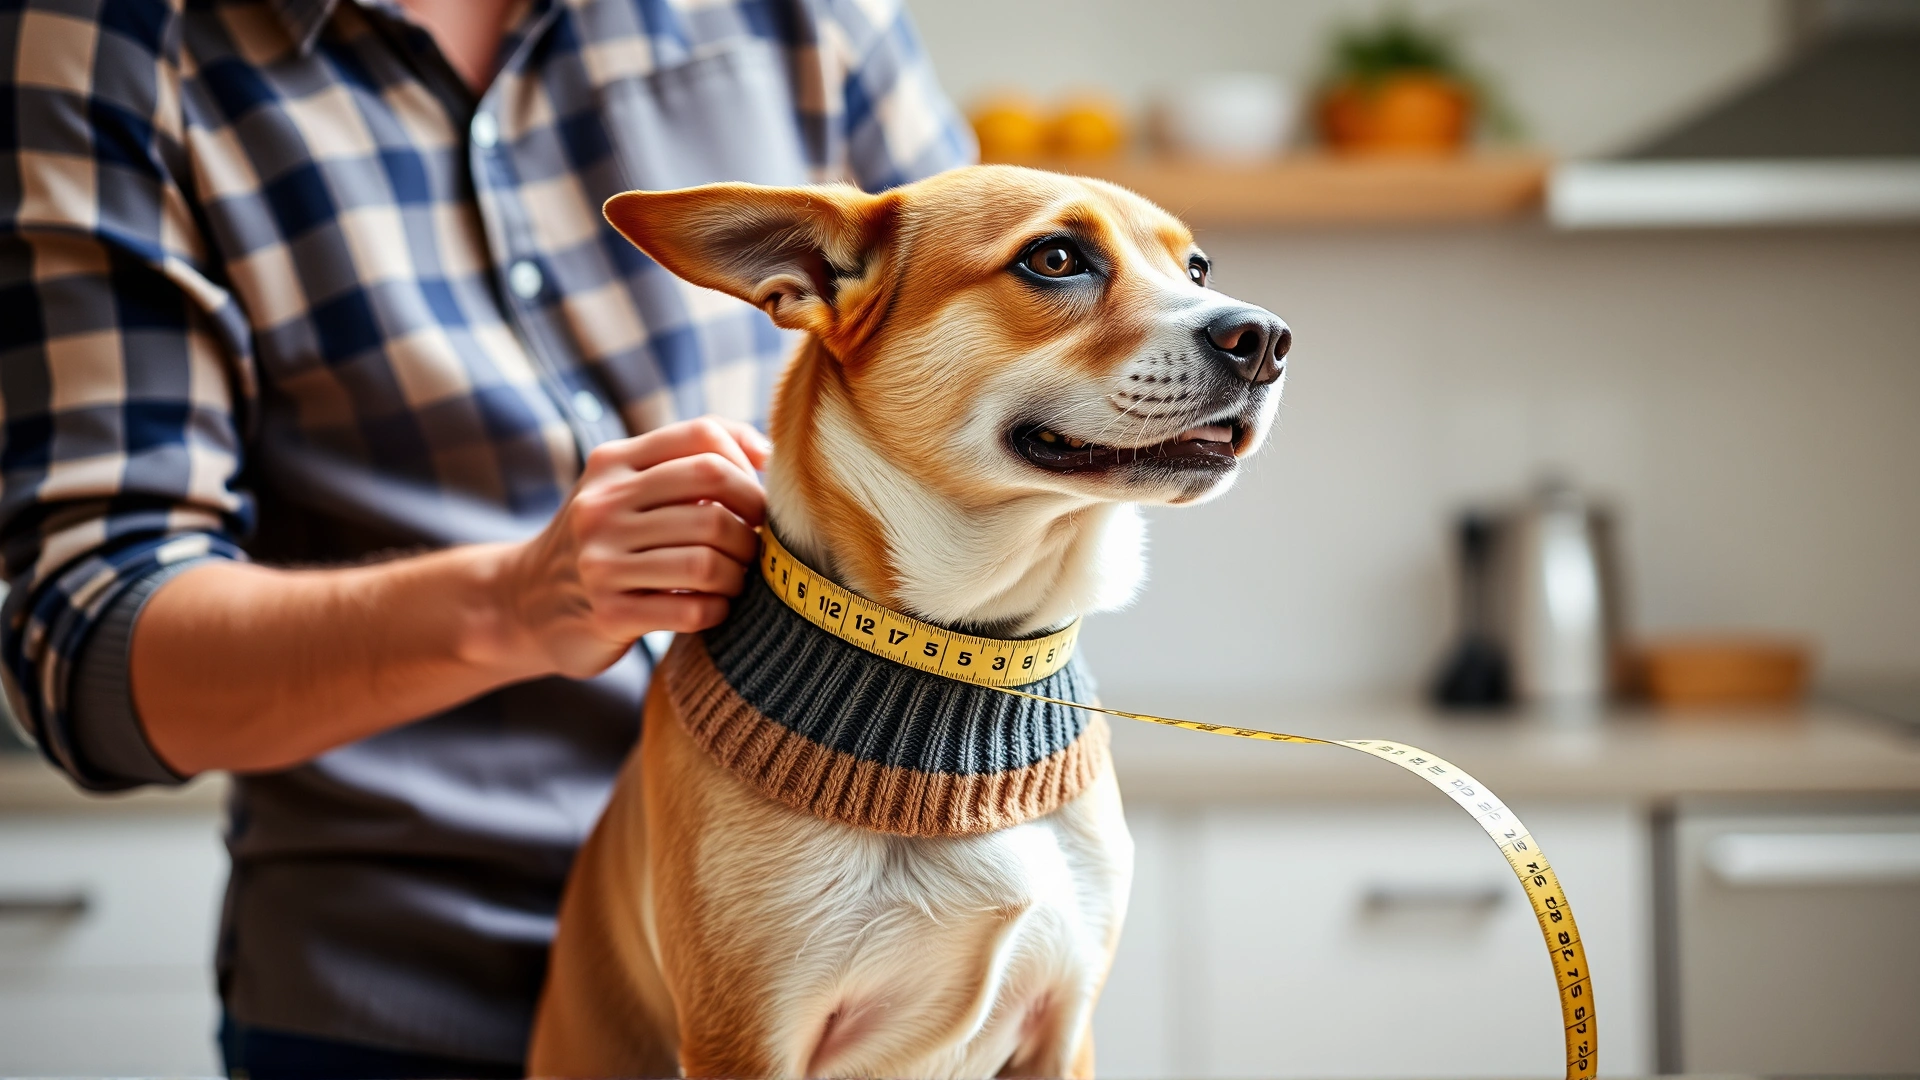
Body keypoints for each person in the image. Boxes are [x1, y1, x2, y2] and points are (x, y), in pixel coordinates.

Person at [0, 0, 973, 1075]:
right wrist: (514, 601)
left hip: (856, 981)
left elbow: (1009, 363)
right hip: (407, 1005)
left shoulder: (813, 16)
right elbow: (89, 649)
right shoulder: (116, 41)